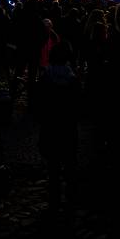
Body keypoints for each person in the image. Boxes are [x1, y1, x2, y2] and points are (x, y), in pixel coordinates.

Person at [33, 40, 81, 214]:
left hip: (50, 129)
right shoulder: (73, 80)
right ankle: (71, 198)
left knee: (53, 168)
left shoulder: (45, 79)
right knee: (70, 166)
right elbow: (78, 107)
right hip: (68, 129)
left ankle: (54, 199)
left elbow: (38, 107)